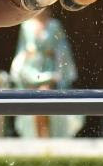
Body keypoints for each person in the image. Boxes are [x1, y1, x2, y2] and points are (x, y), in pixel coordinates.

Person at [9, 9, 81, 138]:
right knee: (34, 100)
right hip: (31, 71)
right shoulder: (26, 26)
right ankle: (38, 139)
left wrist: (54, 53)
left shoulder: (54, 25)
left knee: (45, 96)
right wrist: (28, 55)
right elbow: (22, 49)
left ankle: (49, 137)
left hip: (50, 71)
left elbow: (63, 49)